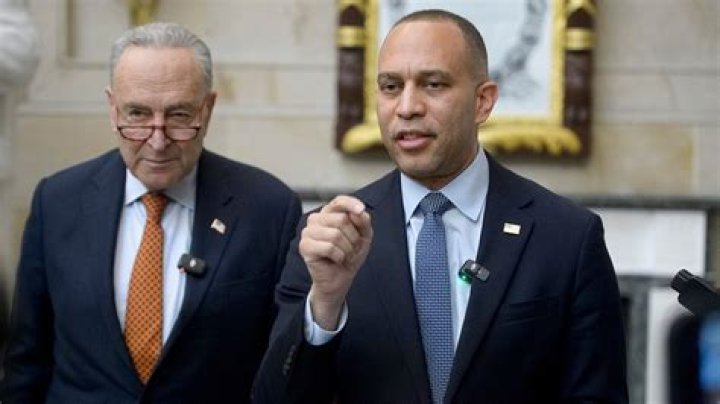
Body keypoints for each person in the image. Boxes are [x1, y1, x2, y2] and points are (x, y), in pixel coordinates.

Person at [253, 9, 628, 404]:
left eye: (433, 84)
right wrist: (325, 302)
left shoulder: (567, 237)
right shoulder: (329, 236)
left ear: (483, 101)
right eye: (391, 87)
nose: (407, 107)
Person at [2, 22, 301, 403]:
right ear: (113, 108)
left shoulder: (268, 208)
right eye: (138, 114)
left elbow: (285, 369)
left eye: (178, 115)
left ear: (208, 109)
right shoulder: (57, 201)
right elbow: (26, 363)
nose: (157, 142)